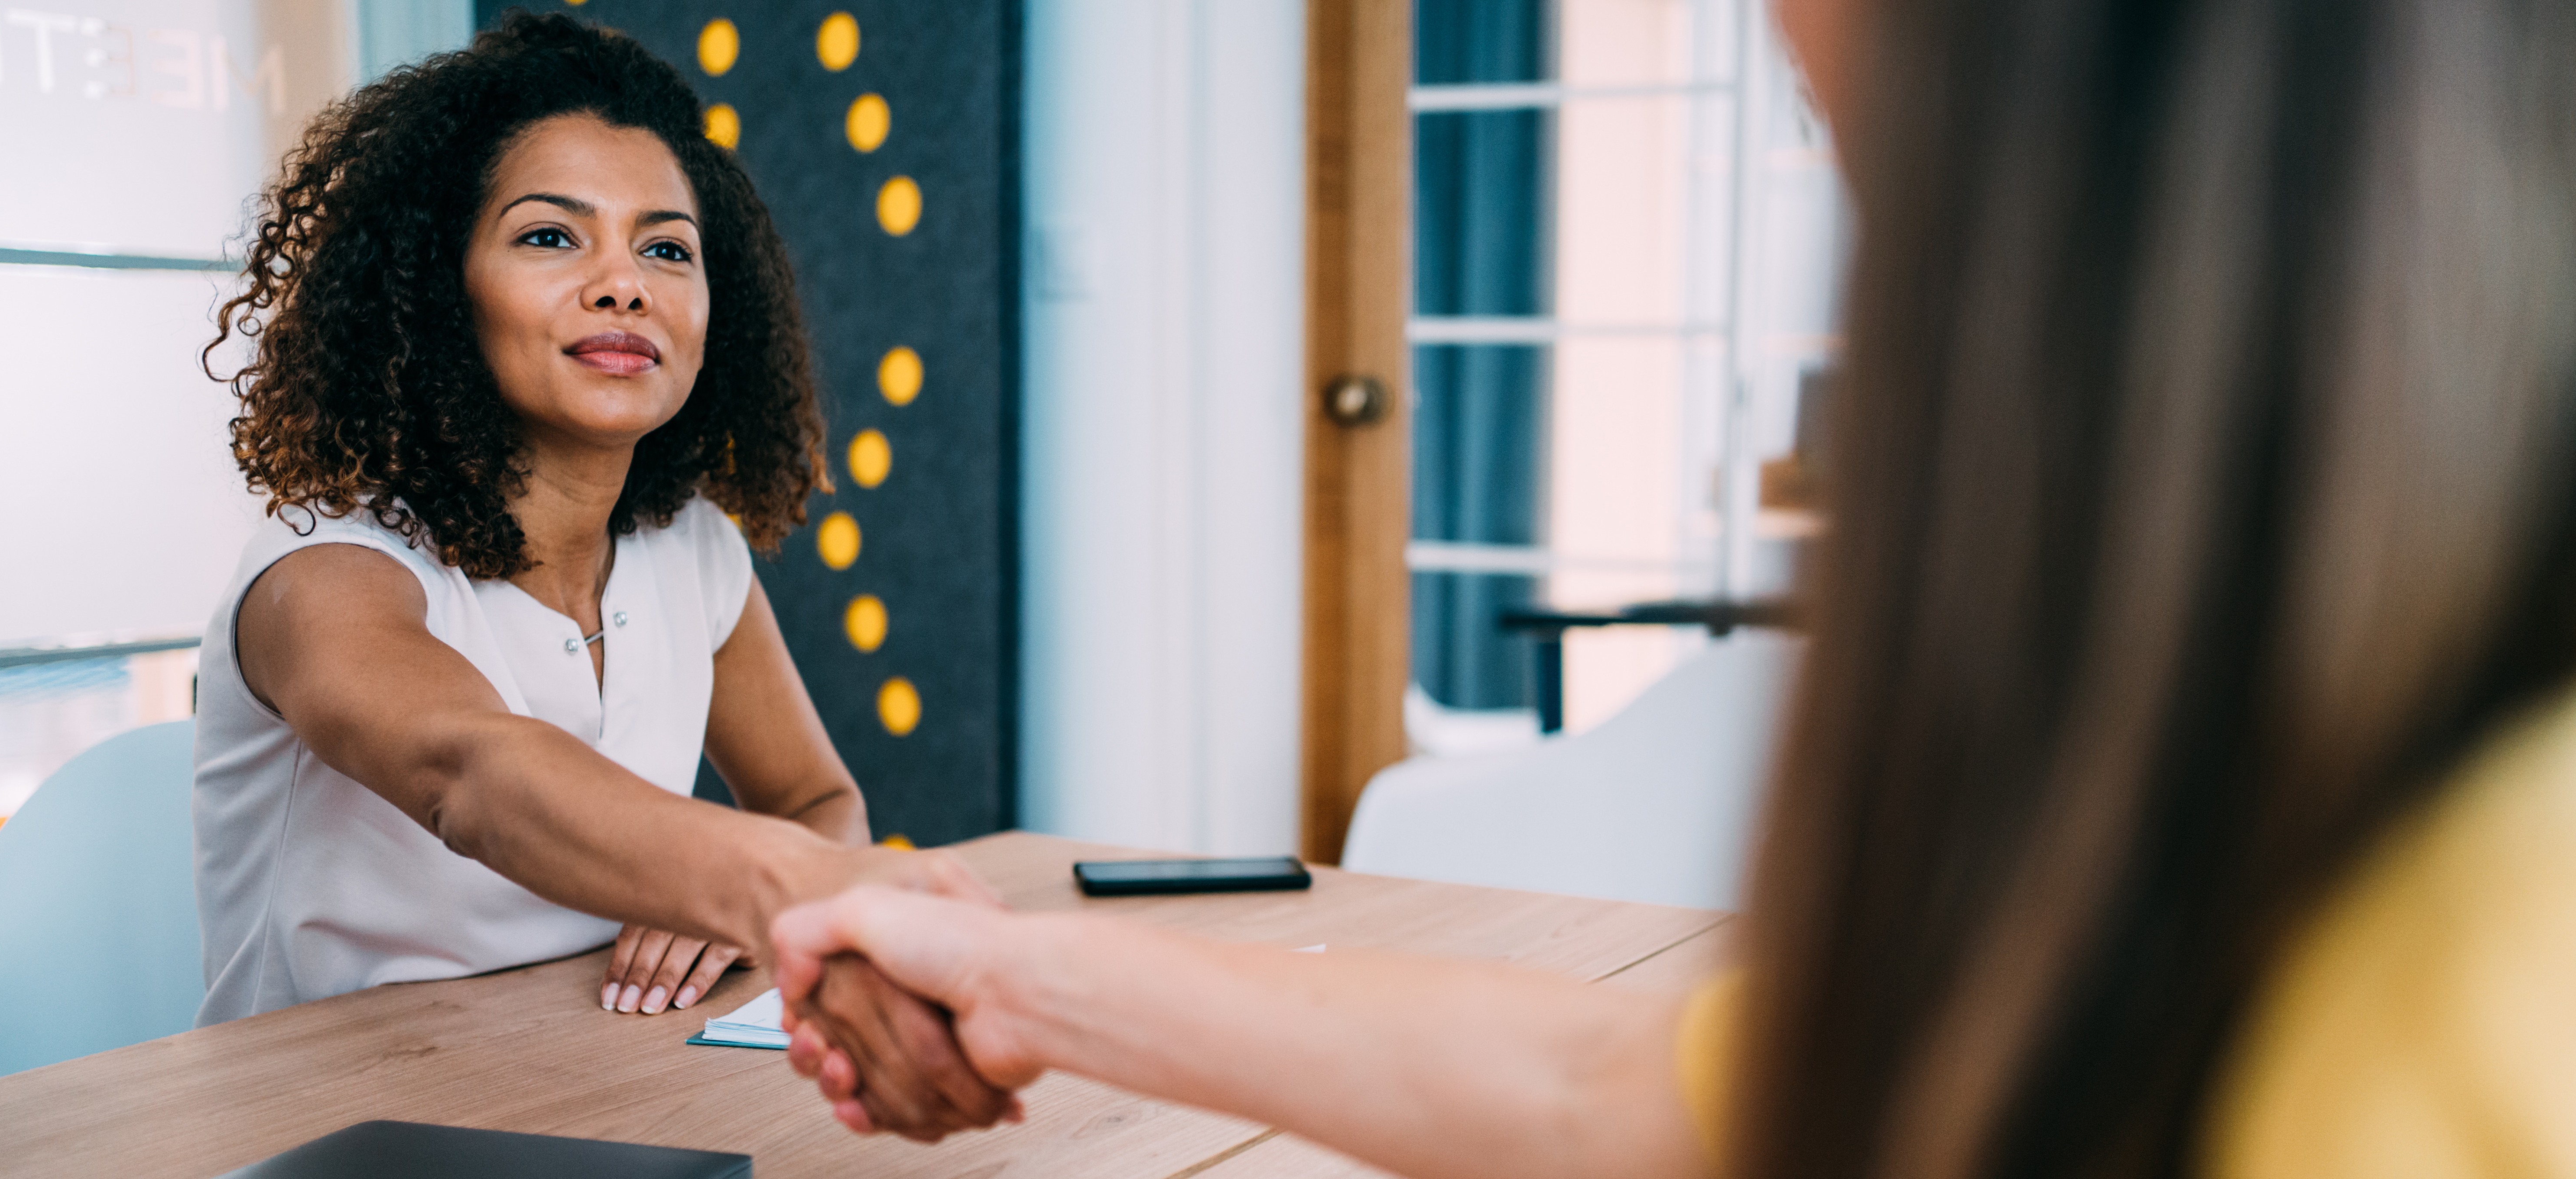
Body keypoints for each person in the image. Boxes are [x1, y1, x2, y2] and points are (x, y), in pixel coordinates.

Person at [770, 0, 2576, 1175]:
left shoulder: (2482, 966)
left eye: (1840, 98)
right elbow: (1628, 1091)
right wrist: (1025, 979)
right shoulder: (2272, 800)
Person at [192, 13, 1009, 1139]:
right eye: (551, 238)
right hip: (325, 1133)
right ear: (441, 284)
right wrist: (747, 883)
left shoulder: (696, 552)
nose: (625, 283)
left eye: (667, 248)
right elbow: (472, 775)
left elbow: (821, 804)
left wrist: (719, 911)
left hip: (605, 1097)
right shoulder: (323, 575)